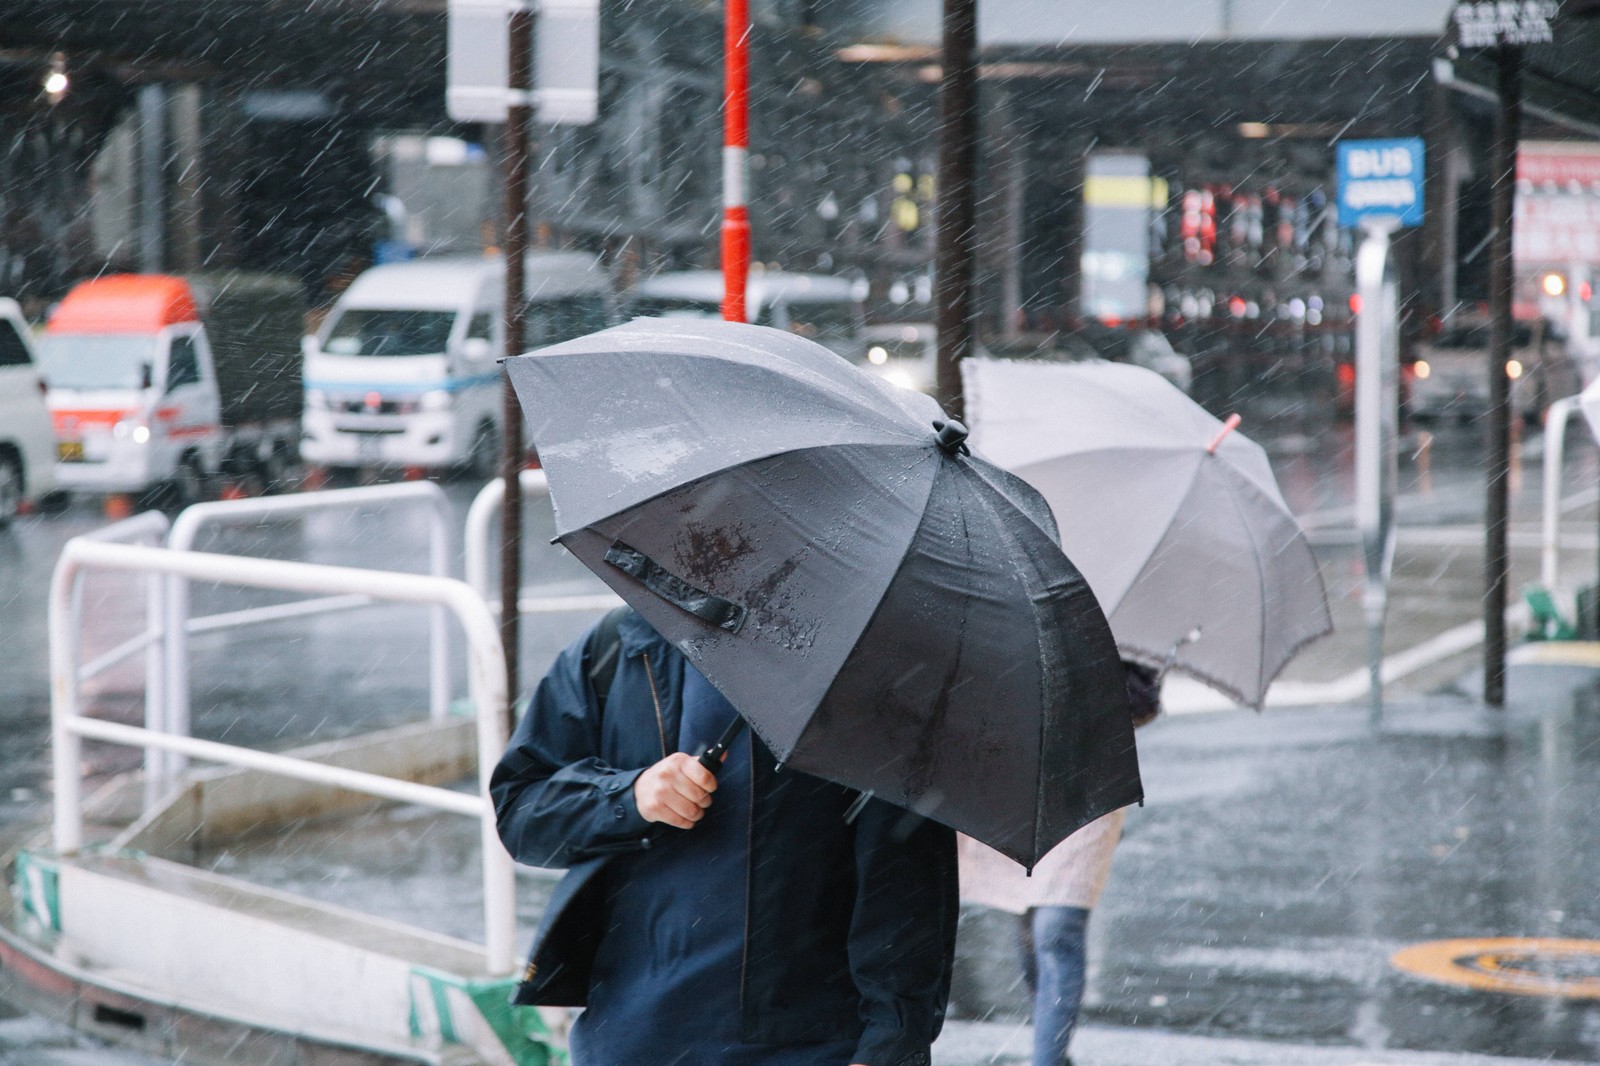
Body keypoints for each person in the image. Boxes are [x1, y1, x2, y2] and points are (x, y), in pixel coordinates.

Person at [491, 606, 959, 1066]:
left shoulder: (865, 672)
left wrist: (889, 1046)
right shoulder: (623, 642)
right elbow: (522, 811)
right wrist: (628, 796)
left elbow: (904, 883)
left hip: (809, 1045)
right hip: (627, 1039)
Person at [956, 662, 1162, 1066]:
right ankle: (1053, 1044)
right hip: (1023, 784)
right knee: (1030, 919)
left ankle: (1046, 1059)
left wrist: (1103, 684)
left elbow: (1144, 702)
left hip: (1093, 790)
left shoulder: (1120, 621)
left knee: (1056, 928)